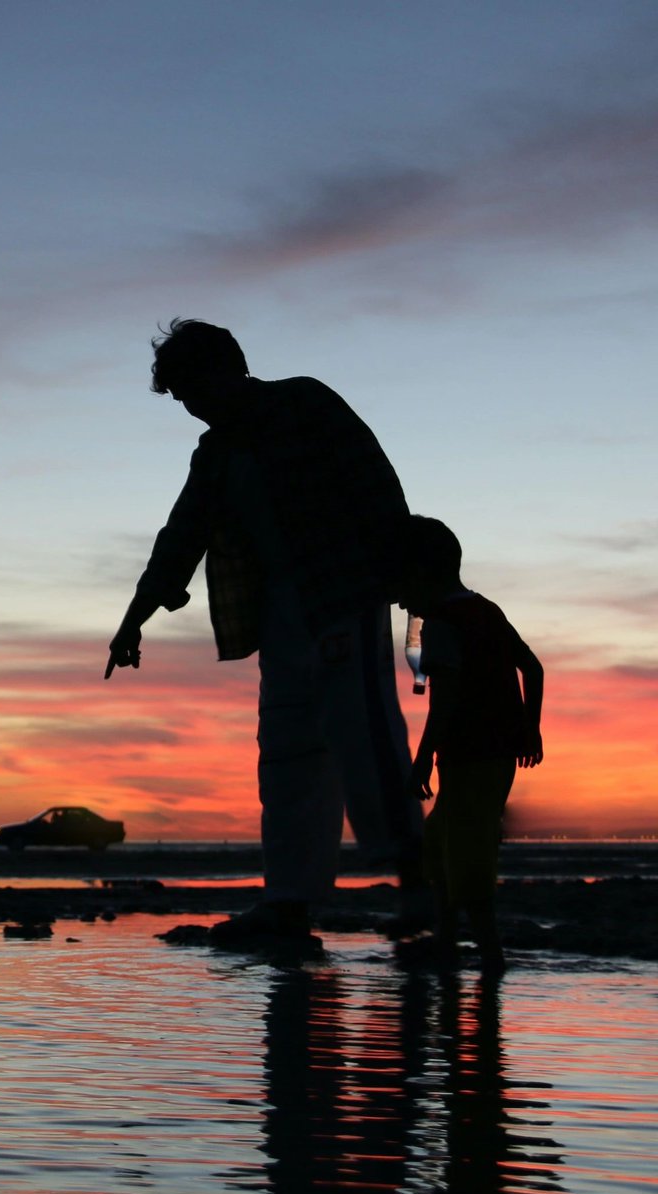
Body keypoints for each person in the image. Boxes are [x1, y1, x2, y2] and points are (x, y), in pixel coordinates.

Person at [106, 318, 425, 946]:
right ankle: (288, 903)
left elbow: (377, 487)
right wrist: (134, 619)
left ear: (227, 367)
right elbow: (182, 535)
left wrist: (410, 582)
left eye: (193, 389)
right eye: (181, 400)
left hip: (344, 598)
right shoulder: (216, 451)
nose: (192, 408)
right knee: (285, 755)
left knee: (364, 737)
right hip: (280, 618)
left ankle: (421, 886)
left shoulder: (305, 402)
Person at [398, 515, 544, 973]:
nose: (398, 597)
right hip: (491, 753)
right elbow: (533, 669)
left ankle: (490, 956)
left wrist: (421, 762)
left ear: (422, 572)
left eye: (399, 579)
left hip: (471, 755)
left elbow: (446, 701)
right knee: (442, 841)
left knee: (466, 851)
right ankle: (446, 942)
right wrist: (528, 728)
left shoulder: (442, 623)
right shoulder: (486, 610)